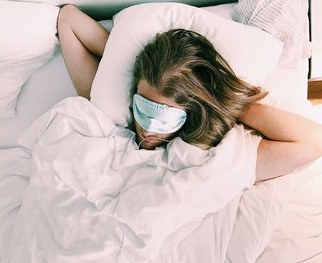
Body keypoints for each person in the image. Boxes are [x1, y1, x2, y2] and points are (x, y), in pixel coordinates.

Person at [57, 4, 322, 183]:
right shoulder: (110, 120)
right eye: (144, 109)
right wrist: (119, 59)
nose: (148, 129)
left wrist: (227, 103)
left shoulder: (210, 156)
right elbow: (68, 16)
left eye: (165, 117)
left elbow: (315, 142)